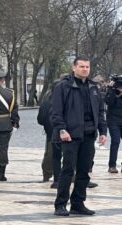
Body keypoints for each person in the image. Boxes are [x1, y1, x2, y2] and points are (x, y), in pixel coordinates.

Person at [51, 56, 107, 216]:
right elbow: (56, 112)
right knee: (68, 170)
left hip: (89, 134)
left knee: (84, 170)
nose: (85, 69)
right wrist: (62, 129)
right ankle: (60, 204)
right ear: (74, 68)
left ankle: (78, 203)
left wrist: (103, 131)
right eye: (81, 66)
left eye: (87, 67)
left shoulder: (93, 87)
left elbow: (100, 111)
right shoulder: (63, 87)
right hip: (70, 135)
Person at [37, 80, 62, 186]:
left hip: (51, 131)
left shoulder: (46, 99)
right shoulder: (60, 99)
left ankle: (47, 174)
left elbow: (40, 119)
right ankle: (70, 175)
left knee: (50, 154)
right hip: (60, 131)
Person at [105, 77, 122, 173]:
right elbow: (108, 102)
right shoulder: (112, 91)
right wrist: (111, 90)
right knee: (115, 141)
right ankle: (112, 165)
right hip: (113, 120)